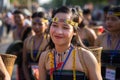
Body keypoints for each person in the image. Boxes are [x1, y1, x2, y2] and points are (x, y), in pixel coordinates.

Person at [38, 6, 102, 80]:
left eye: (65, 27)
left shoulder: (86, 57)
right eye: (55, 25)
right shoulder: (44, 57)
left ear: (74, 32)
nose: (59, 32)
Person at [94, 6, 120, 80]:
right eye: (107, 19)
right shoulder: (100, 39)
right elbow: (94, 63)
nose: (109, 22)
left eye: (113, 19)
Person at [22, 11, 49, 80]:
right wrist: (28, 78)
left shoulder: (50, 41)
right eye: (34, 24)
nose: (37, 27)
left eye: (40, 24)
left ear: (46, 25)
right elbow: (24, 63)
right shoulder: (27, 41)